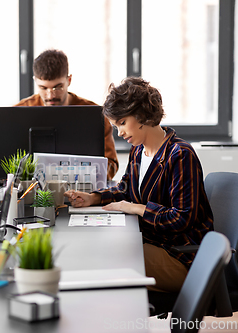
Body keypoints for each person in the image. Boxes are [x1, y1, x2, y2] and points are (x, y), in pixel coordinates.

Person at [64, 77, 214, 293]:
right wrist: (93, 198)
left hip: (179, 256)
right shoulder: (139, 150)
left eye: (122, 123)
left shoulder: (180, 155)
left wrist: (135, 207)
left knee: (108, 261)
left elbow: (181, 218)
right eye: (116, 126)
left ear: (142, 115)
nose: (120, 133)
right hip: (151, 242)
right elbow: (125, 188)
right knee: (99, 251)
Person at [15, 49, 119, 180]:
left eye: (58, 87)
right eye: (43, 88)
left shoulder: (94, 114)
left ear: (69, 80)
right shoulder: (19, 112)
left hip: (83, 191)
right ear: (35, 81)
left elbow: (111, 164)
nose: (50, 95)